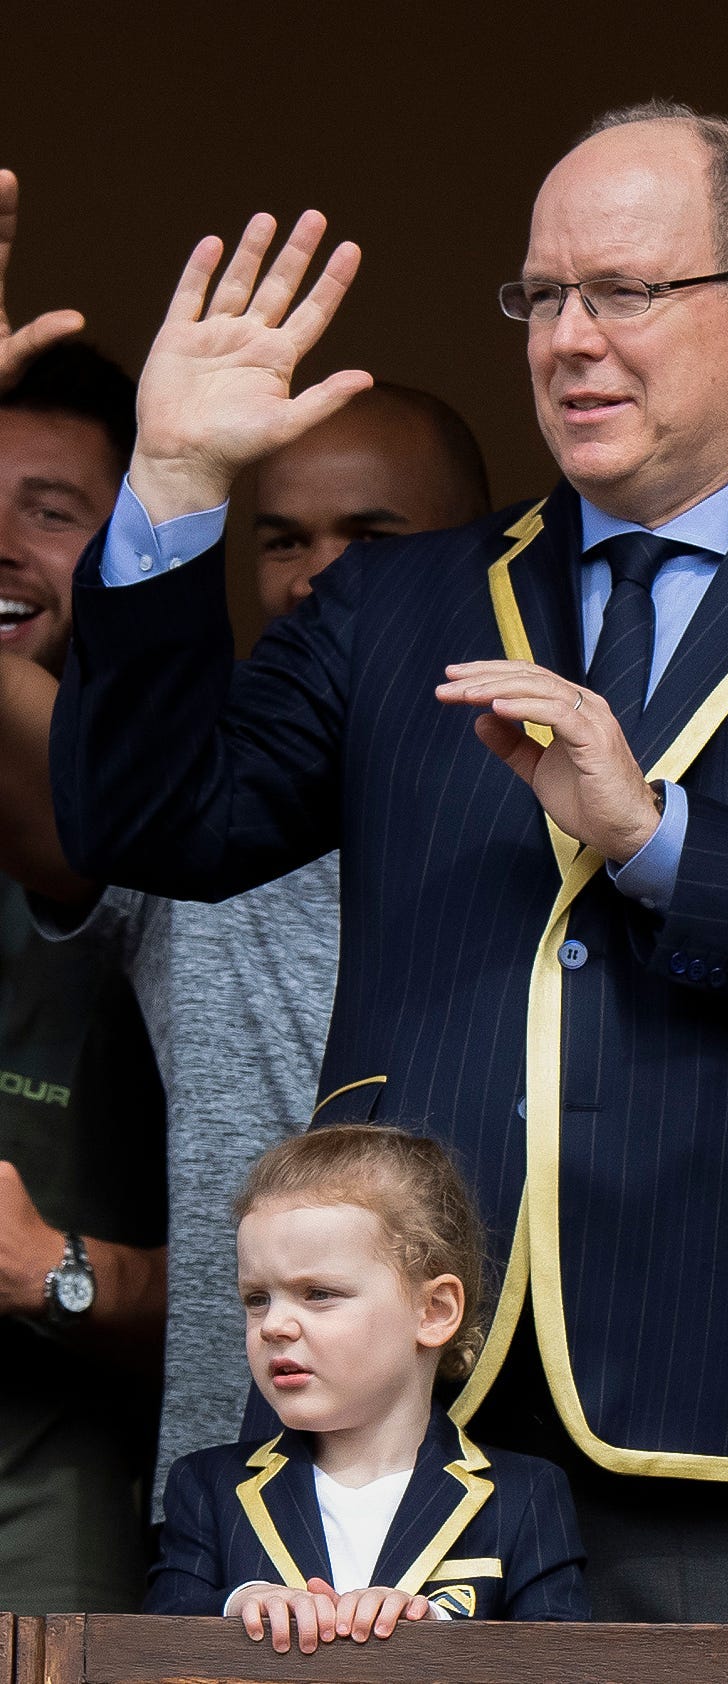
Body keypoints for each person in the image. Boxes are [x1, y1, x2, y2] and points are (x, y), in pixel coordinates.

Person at [53, 100, 728, 1622]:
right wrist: (173, 482)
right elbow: (150, 820)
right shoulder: (400, 603)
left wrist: (656, 842)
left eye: (626, 292)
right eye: (543, 296)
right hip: (406, 1419)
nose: (571, 338)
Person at [1, 371, 491, 1516]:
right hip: (238, 1488)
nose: (326, 572)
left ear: (476, 548)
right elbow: (30, 757)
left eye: (372, 534)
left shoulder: (570, 783)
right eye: (283, 538)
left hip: (497, 1456)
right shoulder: (180, 797)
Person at [0, 196, 170, 1608]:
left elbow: (276, 1291)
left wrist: (52, 1274)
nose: (1, 547)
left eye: (48, 514)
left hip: (56, 1482)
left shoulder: (199, 827)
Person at [148, 1124, 588, 1643]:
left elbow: (562, 1655)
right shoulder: (207, 1485)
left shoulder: (524, 1493)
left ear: (433, 1311)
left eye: (317, 1294)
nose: (273, 1325)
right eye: (257, 1298)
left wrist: (435, 1632)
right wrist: (236, 1603)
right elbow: (152, 1633)